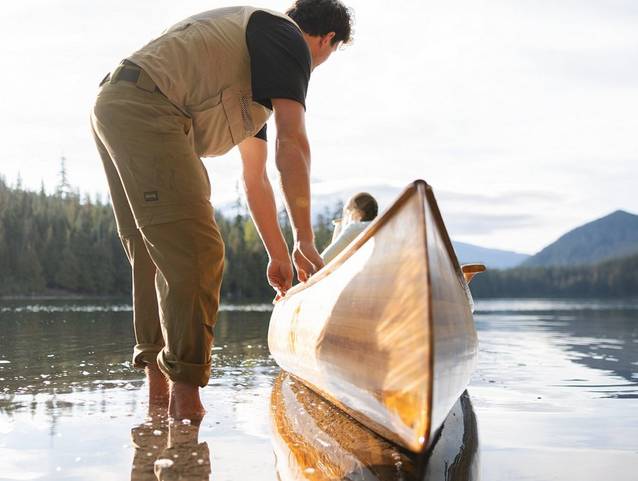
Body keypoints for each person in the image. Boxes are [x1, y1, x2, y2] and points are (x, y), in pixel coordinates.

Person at [90, 0, 353, 422]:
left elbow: (255, 177)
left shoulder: (256, 62)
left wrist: (279, 254)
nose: (319, 63)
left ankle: (158, 400)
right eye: (329, 52)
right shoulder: (286, 39)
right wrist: (305, 238)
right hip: (150, 105)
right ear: (326, 39)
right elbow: (293, 143)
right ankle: (186, 403)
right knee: (198, 251)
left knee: (152, 252)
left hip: (114, 103)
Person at [321, 192, 378, 263]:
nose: (346, 215)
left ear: (357, 212)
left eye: (348, 210)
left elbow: (325, 259)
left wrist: (340, 228)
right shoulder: (379, 227)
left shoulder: (354, 228)